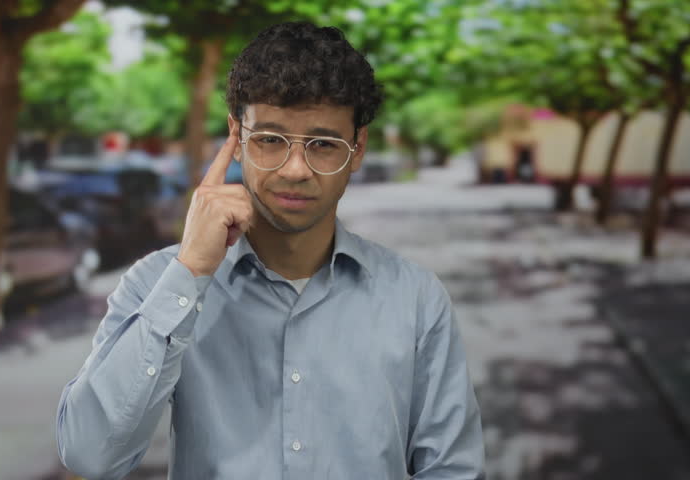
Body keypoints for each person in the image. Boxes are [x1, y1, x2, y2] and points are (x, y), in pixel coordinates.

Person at [56, 21, 484, 479]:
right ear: (236, 137)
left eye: (322, 144)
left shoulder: (415, 297)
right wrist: (193, 270)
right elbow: (89, 455)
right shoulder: (157, 282)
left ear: (357, 149)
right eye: (270, 140)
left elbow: (451, 470)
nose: (295, 169)